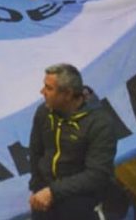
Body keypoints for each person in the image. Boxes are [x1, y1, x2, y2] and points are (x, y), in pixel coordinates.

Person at [29, 63, 116, 219]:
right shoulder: (44, 112)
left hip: (82, 203)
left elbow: (97, 174)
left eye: (49, 88)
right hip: (46, 198)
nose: (42, 92)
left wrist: (53, 192)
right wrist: (37, 187)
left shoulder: (100, 124)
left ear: (68, 94)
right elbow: (36, 152)